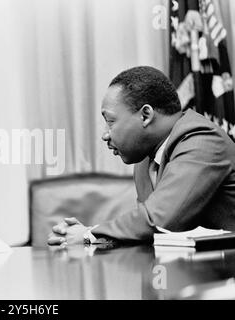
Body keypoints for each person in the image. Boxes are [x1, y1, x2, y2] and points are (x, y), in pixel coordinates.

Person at [48, 66, 235, 246]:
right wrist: (90, 235)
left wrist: (90, 234)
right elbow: (146, 232)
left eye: (111, 122)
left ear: (145, 115)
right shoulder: (145, 160)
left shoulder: (202, 141)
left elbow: (158, 220)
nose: (105, 134)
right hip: (186, 270)